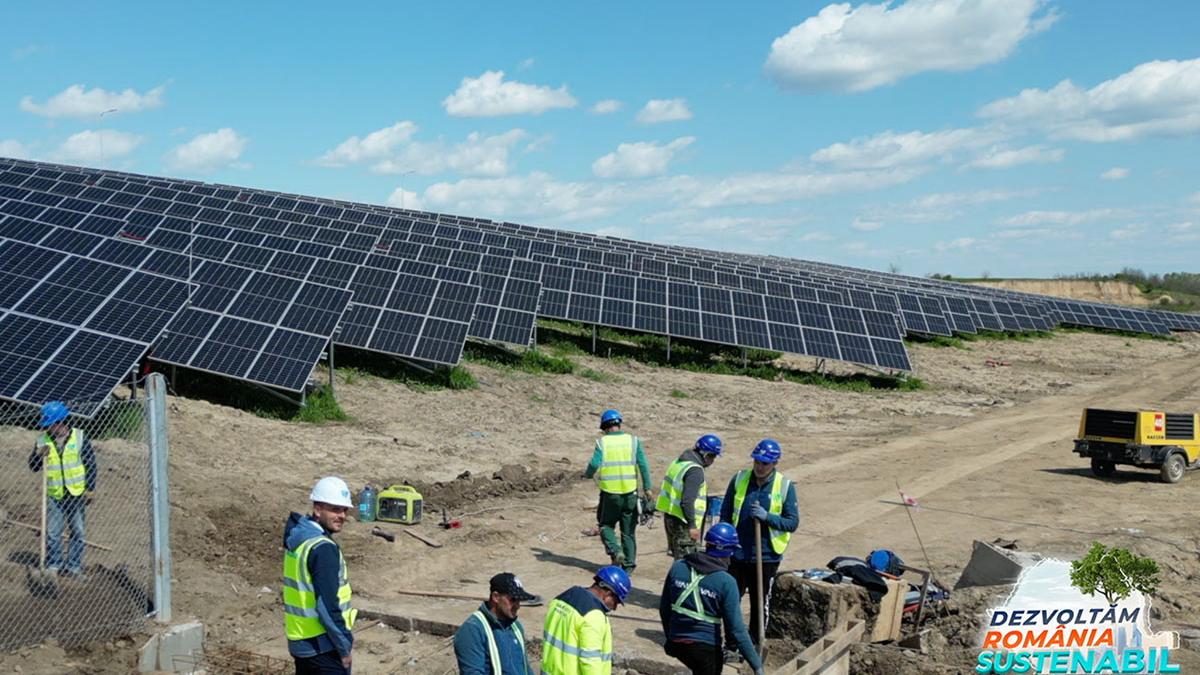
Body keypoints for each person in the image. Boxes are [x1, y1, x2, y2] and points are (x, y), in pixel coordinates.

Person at [718, 439, 799, 657]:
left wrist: (768, 517)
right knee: (730, 602)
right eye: (757, 461)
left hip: (766, 556)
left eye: (765, 463)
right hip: (737, 554)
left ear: (774, 463)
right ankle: (732, 645)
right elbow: (726, 512)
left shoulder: (784, 486)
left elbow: (792, 522)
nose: (760, 467)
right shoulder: (740, 479)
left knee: (759, 603)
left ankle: (754, 645)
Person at [659, 523, 764, 675]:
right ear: (727, 551)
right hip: (705, 648)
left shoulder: (678, 566)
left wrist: (670, 637)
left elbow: (664, 609)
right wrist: (757, 665)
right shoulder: (726, 582)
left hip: (677, 642)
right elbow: (737, 630)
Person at [283, 476, 359, 674]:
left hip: (302, 642)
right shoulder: (322, 548)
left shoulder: (300, 540)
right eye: (335, 509)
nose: (342, 515)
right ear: (318, 509)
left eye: (344, 510)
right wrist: (344, 647)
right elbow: (326, 605)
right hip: (323, 647)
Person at [27, 401, 96, 580]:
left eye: (50, 425)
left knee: (78, 531)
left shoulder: (80, 437)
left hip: (76, 493)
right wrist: (37, 455)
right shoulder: (42, 440)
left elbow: (91, 465)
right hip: (55, 493)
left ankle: (73, 567)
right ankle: (54, 565)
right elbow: (33, 467)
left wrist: (89, 488)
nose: (48, 428)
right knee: (53, 533)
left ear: (60, 422)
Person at [583, 409, 653, 573]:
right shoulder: (633, 441)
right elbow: (643, 465)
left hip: (610, 495)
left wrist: (587, 475)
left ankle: (615, 550)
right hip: (631, 494)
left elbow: (594, 464)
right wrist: (648, 488)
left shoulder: (602, 443)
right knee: (628, 532)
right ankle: (628, 567)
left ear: (604, 427)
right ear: (619, 424)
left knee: (606, 525)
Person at [540, 565, 630, 675]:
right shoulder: (594, 616)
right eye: (616, 602)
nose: (615, 608)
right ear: (608, 593)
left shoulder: (562, 598)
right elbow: (590, 661)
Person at [453, 572, 538, 675]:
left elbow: (526, 669)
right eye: (513, 599)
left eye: (519, 600)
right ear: (496, 597)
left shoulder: (516, 628)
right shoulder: (473, 630)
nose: (517, 605)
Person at [656, 434, 723, 560]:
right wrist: (692, 526)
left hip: (671, 518)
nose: (713, 460)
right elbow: (687, 501)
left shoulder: (679, 462)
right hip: (684, 524)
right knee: (687, 562)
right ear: (705, 454)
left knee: (678, 559)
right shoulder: (695, 471)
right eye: (712, 456)